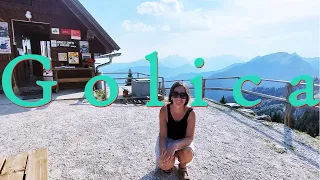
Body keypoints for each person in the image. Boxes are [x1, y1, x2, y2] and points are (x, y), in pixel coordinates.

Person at [155, 81, 196, 180]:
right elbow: (163, 135)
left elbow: (189, 138)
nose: (178, 98)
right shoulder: (164, 110)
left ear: (186, 97)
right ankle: (170, 160)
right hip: (168, 139)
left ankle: (182, 166)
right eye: (175, 94)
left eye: (182, 95)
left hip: (182, 142)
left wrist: (175, 146)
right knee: (164, 165)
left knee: (188, 153)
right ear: (171, 95)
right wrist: (163, 153)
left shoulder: (191, 113)